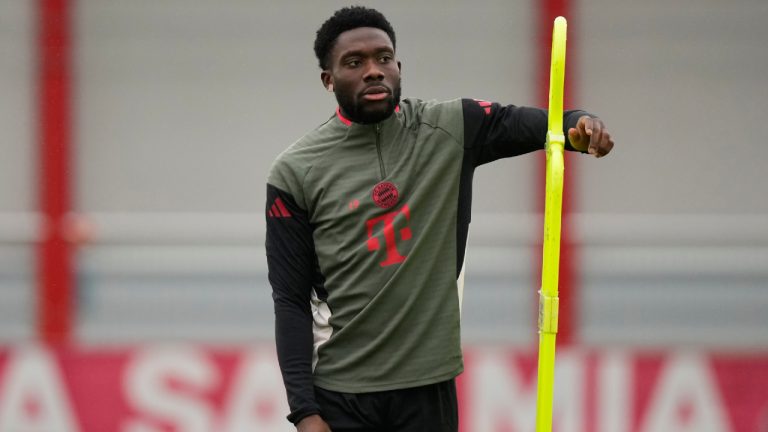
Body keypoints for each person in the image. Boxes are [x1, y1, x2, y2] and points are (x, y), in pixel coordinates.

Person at [265, 6, 614, 432]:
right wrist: (304, 412)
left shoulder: (451, 127)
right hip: (341, 394)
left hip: (428, 388)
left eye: (383, 58)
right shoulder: (294, 170)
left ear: (399, 66)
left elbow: (548, 126)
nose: (373, 71)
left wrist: (581, 126)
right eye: (354, 63)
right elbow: (290, 299)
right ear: (328, 79)